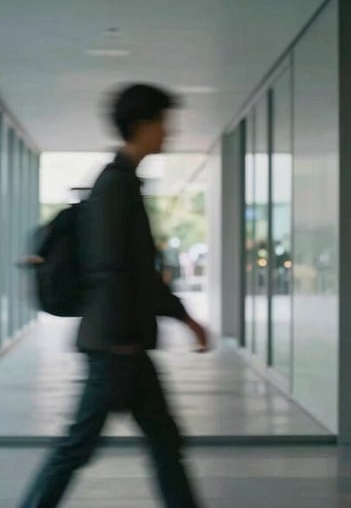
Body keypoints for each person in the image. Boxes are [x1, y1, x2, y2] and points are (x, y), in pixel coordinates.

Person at [19, 83, 209, 508]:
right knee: (78, 448)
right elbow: (119, 271)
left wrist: (181, 319)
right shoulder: (115, 187)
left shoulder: (122, 183)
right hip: (116, 345)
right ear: (142, 126)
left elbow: (136, 271)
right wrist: (179, 320)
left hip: (125, 344)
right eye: (163, 123)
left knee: (164, 444)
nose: (169, 133)